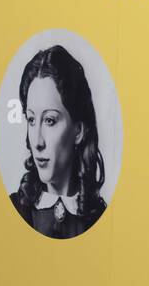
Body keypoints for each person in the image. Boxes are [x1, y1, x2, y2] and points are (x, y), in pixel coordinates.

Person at [9, 44, 107, 238]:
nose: (37, 142)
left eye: (49, 120)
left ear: (78, 131)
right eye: (31, 119)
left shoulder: (99, 217)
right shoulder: (15, 209)